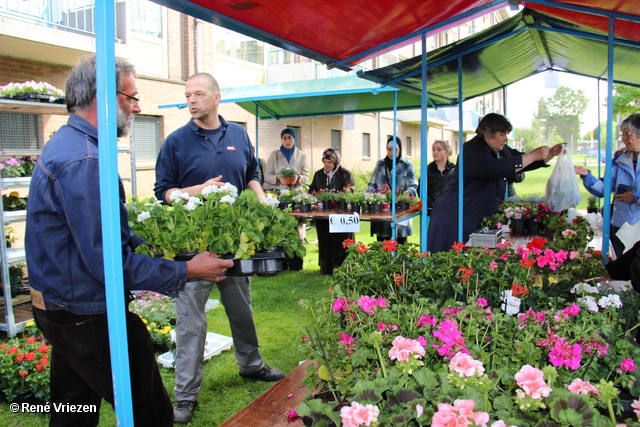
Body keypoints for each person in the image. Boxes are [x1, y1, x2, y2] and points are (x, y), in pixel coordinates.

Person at [25, 56, 232, 427]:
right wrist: (186, 269)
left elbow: (88, 237)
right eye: (131, 97)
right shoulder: (85, 160)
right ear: (103, 96)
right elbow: (108, 263)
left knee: (73, 409)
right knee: (151, 413)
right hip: (84, 314)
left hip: (60, 307)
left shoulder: (70, 143)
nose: (137, 107)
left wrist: (151, 247)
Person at [154, 72, 284, 424]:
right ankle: (185, 396)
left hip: (234, 245)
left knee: (241, 311)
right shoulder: (176, 141)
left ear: (216, 98)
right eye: (187, 95)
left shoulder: (239, 134)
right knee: (190, 322)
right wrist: (198, 190)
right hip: (192, 250)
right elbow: (162, 191)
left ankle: (251, 365)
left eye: (198, 94)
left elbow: (252, 172)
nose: (191, 100)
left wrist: (260, 196)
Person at [427, 113, 562, 253]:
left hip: (473, 213)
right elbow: (495, 168)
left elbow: (517, 161)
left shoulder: (498, 150)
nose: (505, 139)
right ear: (488, 134)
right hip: (455, 215)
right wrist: (533, 155)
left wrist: (550, 153)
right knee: (450, 257)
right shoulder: (472, 150)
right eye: (502, 134)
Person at [575, 113, 640, 258]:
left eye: (627, 134)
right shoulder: (618, 161)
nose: (623, 139)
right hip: (620, 225)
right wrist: (586, 175)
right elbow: (603, 189)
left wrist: (635, 197)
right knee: (622, 270)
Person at [262, 128, 309, 270]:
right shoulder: (274, 155)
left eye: (290, 137)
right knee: (280, 228)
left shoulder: (302, 155)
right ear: (281, 140)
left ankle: (296, 264)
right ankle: (281, 264)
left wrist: (297, 178)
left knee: (296, 229)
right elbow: (266, 175)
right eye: (285, 138)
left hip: (296, 198)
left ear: (294, 139)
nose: (287, 141)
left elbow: (307, 176)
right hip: (279, 197)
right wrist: (278, 178)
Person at [308, 148, 355, 274]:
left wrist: (336, 197)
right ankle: (325, 267)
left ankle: (339, 268)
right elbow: (312, 190)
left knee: (338, 242)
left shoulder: (345, 174)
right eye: (324, 162)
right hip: (322, 214)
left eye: (329, 162)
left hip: (340, 215)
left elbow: (350, 192)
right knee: (324, 240)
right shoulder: (318, 174)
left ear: (336, 161)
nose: (327, 165)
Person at [367, 136, 418, 244]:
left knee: (400, 244)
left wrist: (408, 193)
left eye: (395, 150)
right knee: (382, 244)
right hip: (382, 210)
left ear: (400, 150)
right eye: (389, 149)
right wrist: (371, 196)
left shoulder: (407, 165)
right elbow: (372, 184)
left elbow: (413, 185)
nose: (392, 153)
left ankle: (400, 261)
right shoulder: (380, 164)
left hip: (401, 209)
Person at [426, 139, 455, 214]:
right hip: (431, 210)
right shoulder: (427, 170)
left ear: (447, 153)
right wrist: (433, 204)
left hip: (450, 210)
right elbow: (422, 190)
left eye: (439, 150)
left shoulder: (454, 170)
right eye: (433, 150)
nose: (435, 152)